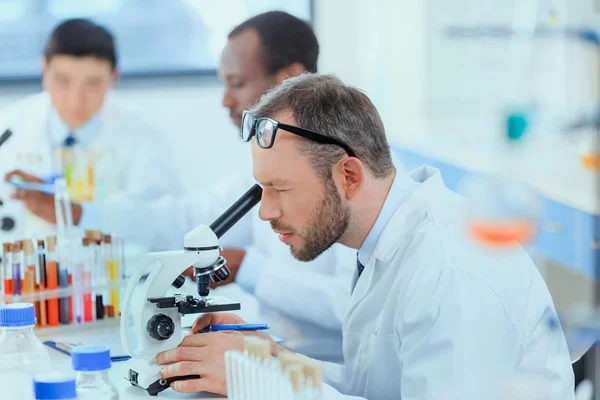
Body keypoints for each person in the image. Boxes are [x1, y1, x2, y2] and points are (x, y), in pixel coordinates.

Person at [153, 74, 576, 399]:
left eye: (279, 189)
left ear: (349, 176)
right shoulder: (383, 245)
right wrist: (269, 358)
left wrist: (255, 380)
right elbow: (372, 388)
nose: (265, 212)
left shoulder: (450, 272)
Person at [4, 12, 357, 332]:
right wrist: (77, 212)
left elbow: (355, 304)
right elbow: (178, 217)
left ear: (288, 79)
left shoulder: (346, 174)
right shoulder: (260, 169)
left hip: (318, 368)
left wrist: (246, 266)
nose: (224, 100)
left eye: (235, 83)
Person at [0, 18, 178, 243]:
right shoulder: (8, 128)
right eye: (63, 81)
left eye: (92, 84)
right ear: (43, 69)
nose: (75, 101)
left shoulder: (143, 140)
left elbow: (162, 223)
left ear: (114, 77)